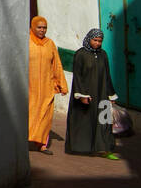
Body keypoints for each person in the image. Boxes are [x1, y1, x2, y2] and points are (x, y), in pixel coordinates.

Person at [64, 28, 120, 158]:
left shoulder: (103, 55)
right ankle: (83, 148)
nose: (98, 43)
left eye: (100, 41)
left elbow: (107, 75)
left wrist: (111, 94)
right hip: (86, 96)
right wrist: (82, 95)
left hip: (102, 94)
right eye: (95, 40)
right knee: (85, 122)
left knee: (104, 121)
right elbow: (78, 76)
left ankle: (105, 149)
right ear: (89, 39)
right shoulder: (80, 54)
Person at [28, 17, 67, 153]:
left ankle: (42, 144)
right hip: (30, 87)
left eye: (44, 27)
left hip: (46, 86)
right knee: (30, 113)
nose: (42, 30)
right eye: (39, 27)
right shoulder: (26, 42)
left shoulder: (50, 44)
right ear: (33, 27)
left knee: (45, 115)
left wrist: (62, 84)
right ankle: (26, 140)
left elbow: (57, 64)